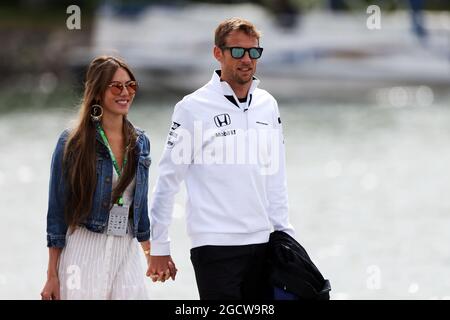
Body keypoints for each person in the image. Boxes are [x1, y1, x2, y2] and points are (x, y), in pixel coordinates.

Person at [149, 18, 295, 299]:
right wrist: (160, 245)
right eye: (238, 51)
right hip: (214, 247)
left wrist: (286, 236)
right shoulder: (191, 108)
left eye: (254, 52)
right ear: (218, 53)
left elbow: (276, 176)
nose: (247, 60)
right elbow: (168, 181)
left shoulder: (268, 104)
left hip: (264, 244)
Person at [40, 56, 174, 300]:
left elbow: (138, 205)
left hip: (126, 251)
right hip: (84, 250)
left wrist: (152, 253)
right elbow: (57, 211)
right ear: (98, 92)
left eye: (130, 85)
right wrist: (52, 275)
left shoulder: (141, 141)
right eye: (116, 86)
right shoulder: (73, 142)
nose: (125, 93)